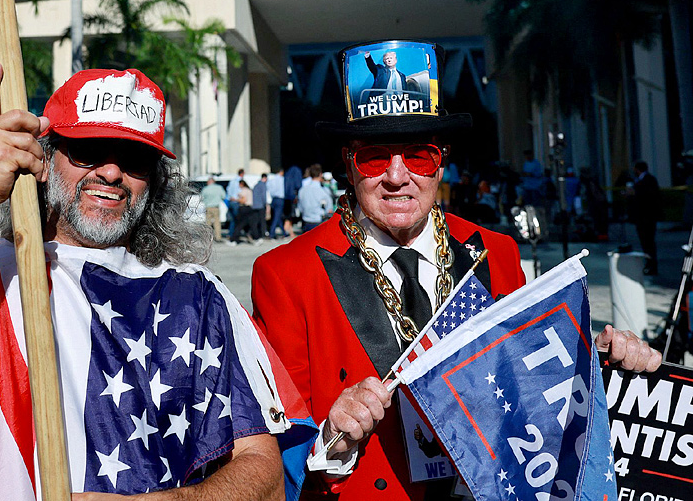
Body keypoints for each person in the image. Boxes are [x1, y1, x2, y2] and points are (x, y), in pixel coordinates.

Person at [252, 39, 662, 501]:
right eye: (373, 157)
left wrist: (596, 362)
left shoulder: (496, 252)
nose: (396, 175)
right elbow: (273, 443)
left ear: (441, 161)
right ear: (349, 165)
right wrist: (335, 433)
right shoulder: (287, 273)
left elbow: (529, 384)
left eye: (418, 155)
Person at [0, 66, 309, 498]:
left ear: (155, 180)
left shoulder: (198, 295)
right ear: (45, 160)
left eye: (134, 158)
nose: (110, 173)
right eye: (87, 151)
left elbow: (265, 477)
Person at [631, 160, 660, 275]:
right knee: (646, 243)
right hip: (644, 218)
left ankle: (651, 265)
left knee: (648, 243)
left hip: (646, 218)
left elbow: (647, 197)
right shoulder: (642, 181)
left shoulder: (647, 181)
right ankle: (649, 264)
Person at [296, 164, 332, 232]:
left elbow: (300, 207)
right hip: (319, 222)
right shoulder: (324, 191)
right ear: (320, 174)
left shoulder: (302, 190)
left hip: (306, 222)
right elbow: (329, 209)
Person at [200, 175, 227, 242]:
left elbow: (202, 198)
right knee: (217, 223)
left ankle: (207, 238)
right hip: (216, 207)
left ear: (208, 182)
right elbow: (223, 196)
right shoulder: (219, 188)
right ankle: (218, 238)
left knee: (208, 223)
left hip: (208, 207)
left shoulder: (205, 189)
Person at [268, 168, 287, 238]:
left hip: (273, 199)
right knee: (276, 217)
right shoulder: (282, 179)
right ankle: (271, 233)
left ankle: (284, 232)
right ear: (281, 172)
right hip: (280, 199)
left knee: (277, 216)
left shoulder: (272, 180)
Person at [251, 173, 270, 241]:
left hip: (254, 205)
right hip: (261, 205)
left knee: (256, 221)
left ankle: (255, 234)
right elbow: (263, 196)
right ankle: (262, 234)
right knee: (262, 221)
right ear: (265, 178)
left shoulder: (256, 185)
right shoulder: (263, 185)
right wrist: (266, 204)